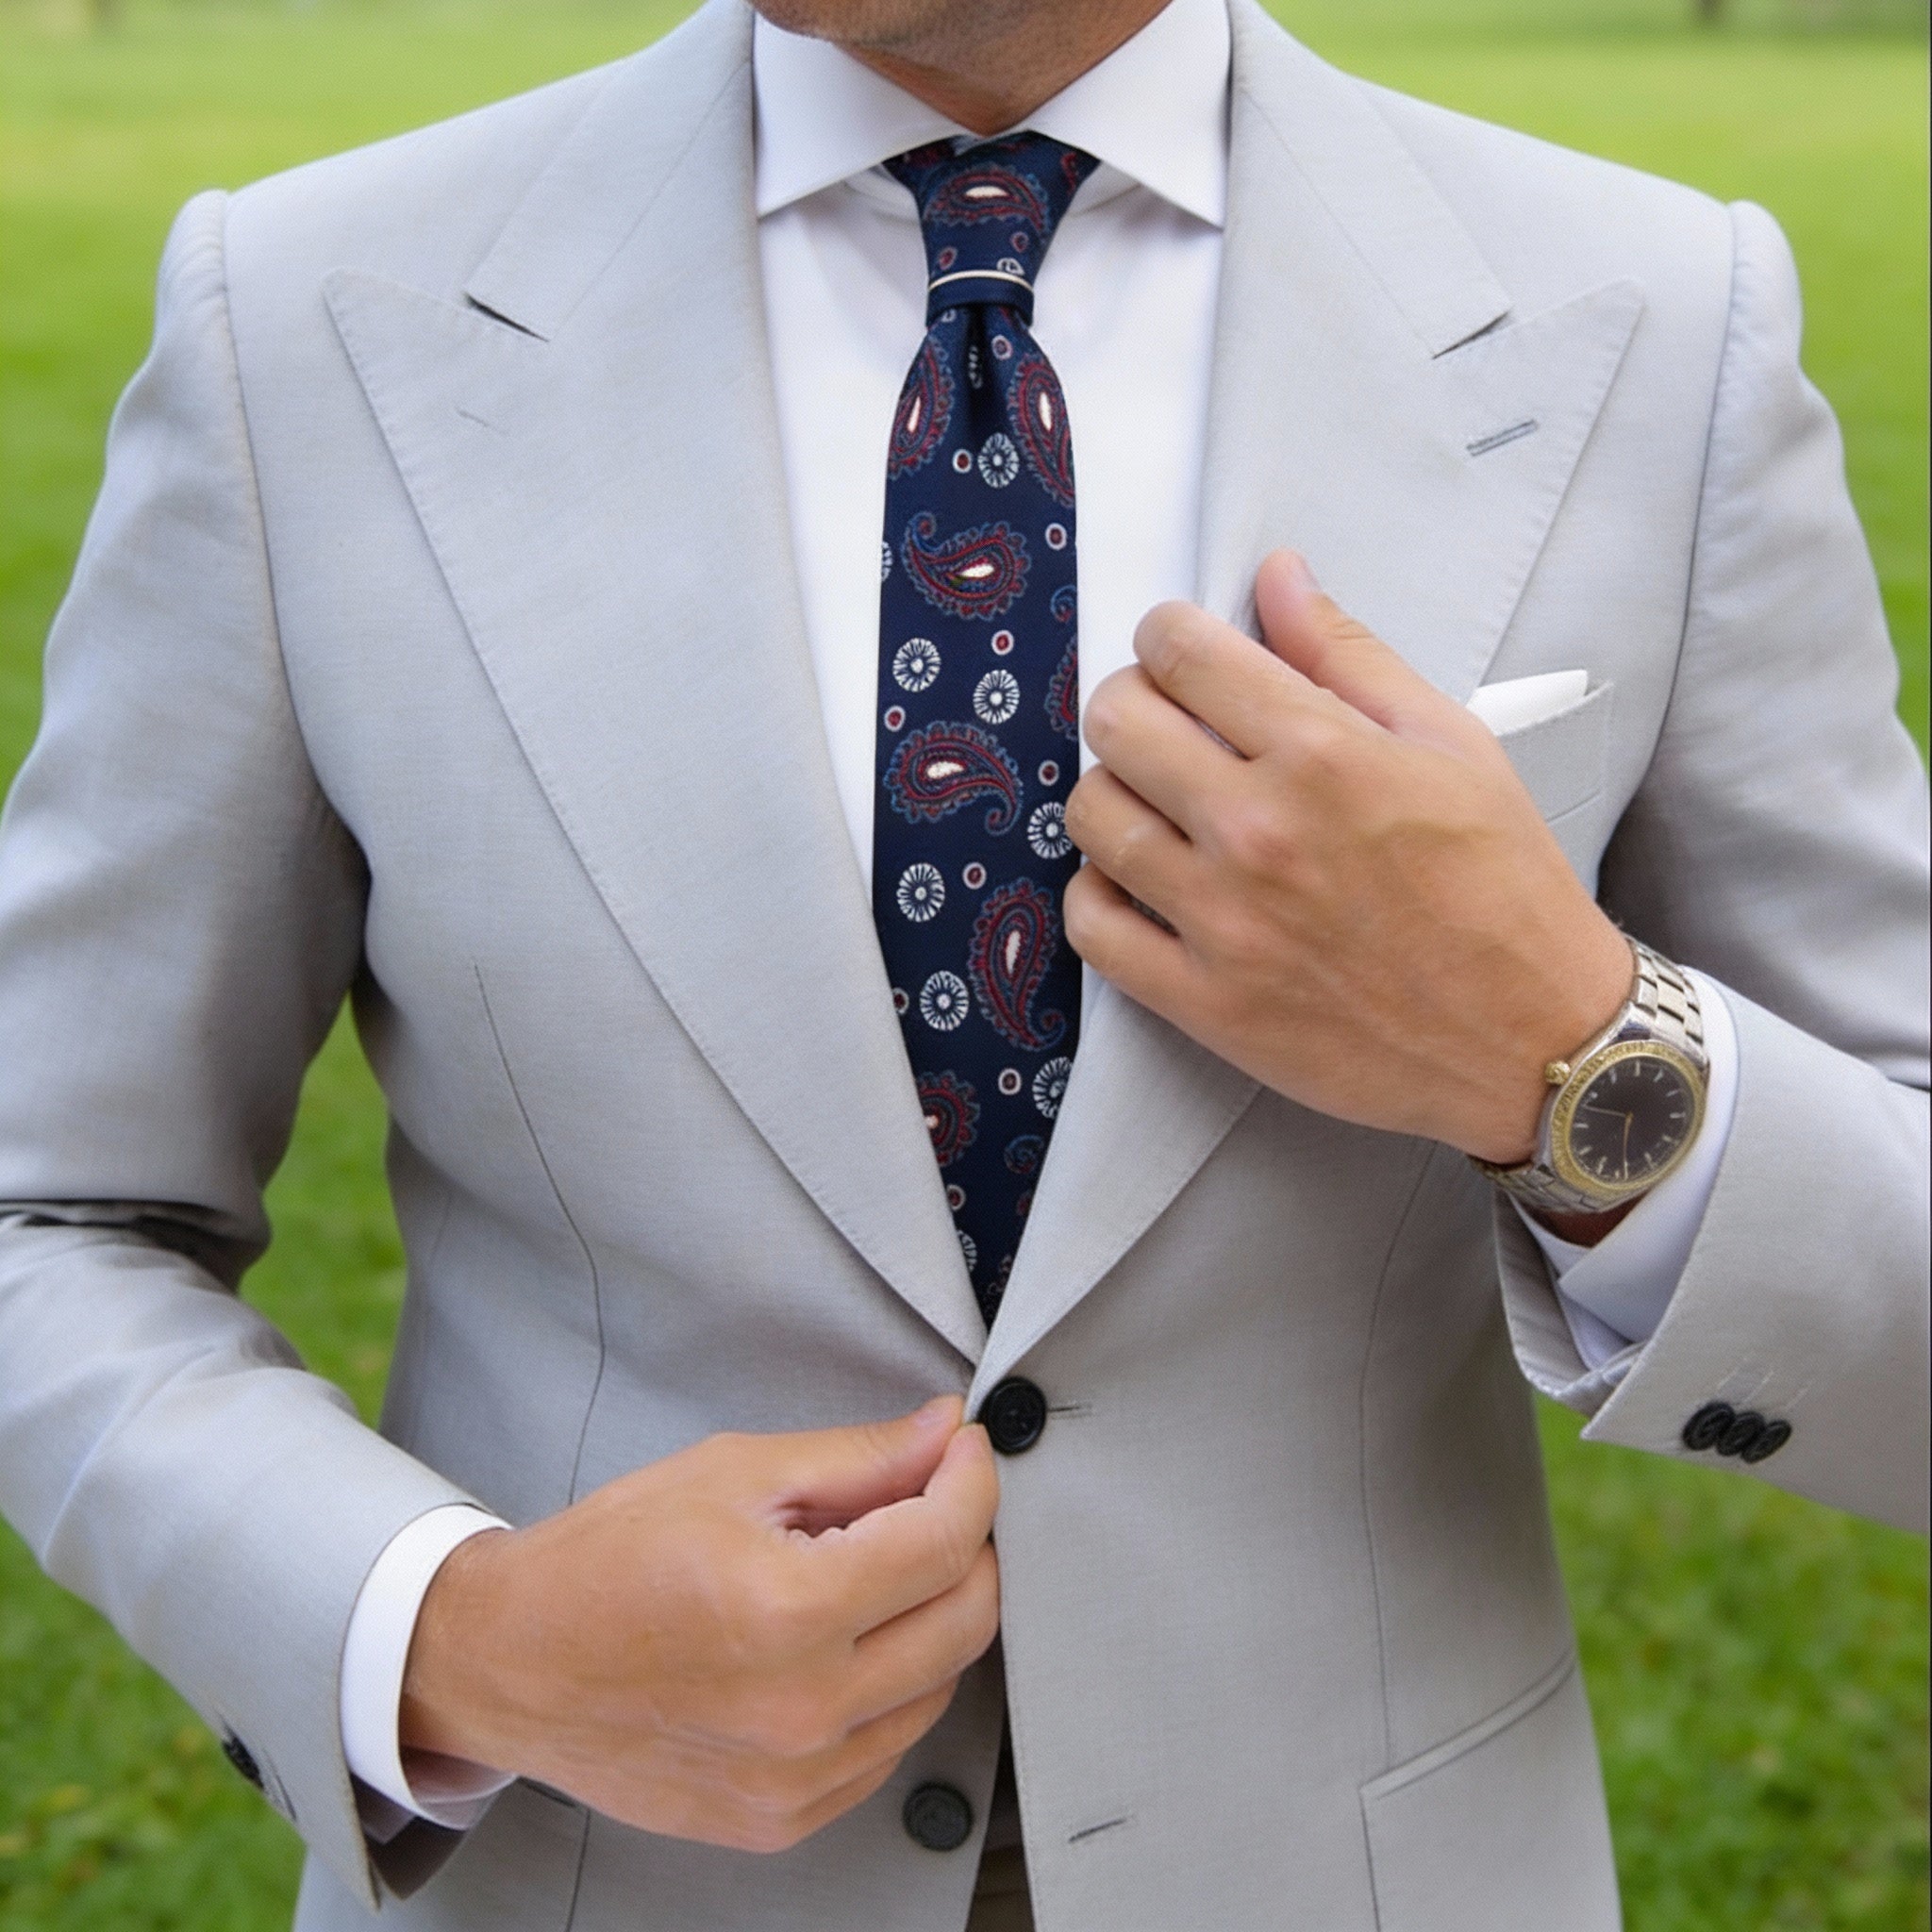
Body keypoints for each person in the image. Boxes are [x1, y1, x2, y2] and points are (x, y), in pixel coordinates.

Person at [0, 0, 1924, 1924]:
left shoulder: (1658, 321)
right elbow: (49, 1211)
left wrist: (1563, 1053)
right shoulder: (301, 317)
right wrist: (454, 1636)